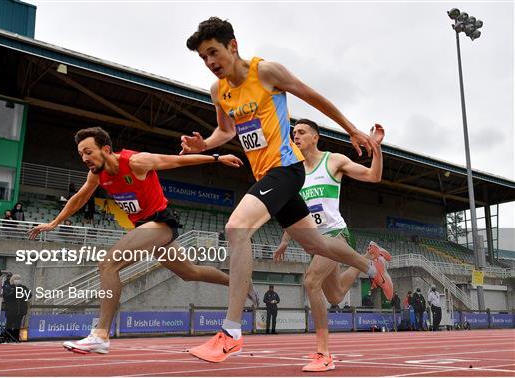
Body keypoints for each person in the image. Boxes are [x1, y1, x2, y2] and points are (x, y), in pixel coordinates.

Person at [183, 17, 392, 363]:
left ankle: (231, 331)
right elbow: (226, 132)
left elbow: (312, 96)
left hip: (285, 170)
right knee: (316, 244)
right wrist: (203, 144)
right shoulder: (218, 91)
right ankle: (371, 269)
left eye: (213, 52)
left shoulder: (265, 72)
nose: (210, 62)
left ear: (232, 46)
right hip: (267, 175)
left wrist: (352, 130)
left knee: (236, 229)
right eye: (204, 57)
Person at [28, 126, 258, 354]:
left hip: (161, 223)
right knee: (190, 272)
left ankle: (100, 335)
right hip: (144, 228)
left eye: (88, 152)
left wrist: (217, 157)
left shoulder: (137, 162)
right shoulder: (97, 174)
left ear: (106, 149)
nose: (84, 158)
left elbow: (176, 162)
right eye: (80, 154)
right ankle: (240, 283)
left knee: (108, 264)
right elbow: (79, 198)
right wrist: (54, 223)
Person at [272, 120, 390, 371]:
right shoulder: (295, 172)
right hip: (315, 242)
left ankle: (323, 353)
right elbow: (295, 212)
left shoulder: (333, 161)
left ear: (315, 137)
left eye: (302, 132)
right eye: (294, 133)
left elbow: (374, 176)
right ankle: (369, 258)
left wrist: (376, 149)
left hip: (337, 235)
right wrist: (284, 241)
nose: (297, 136)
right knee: (335, 296)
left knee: (311, 282)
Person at [2, 274, 31, 342]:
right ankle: (7, 337)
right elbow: (7, 296)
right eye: (16, 279)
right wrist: (16, 290)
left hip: (20, 310)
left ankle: (15, 338)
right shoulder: (8, 287)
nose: (17, 280)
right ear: (12, 280)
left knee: (17, 324)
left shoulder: (23, 287)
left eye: (18, 279)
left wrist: (23, 293)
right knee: (9, 323)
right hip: (11, 310)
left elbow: (29, 295)